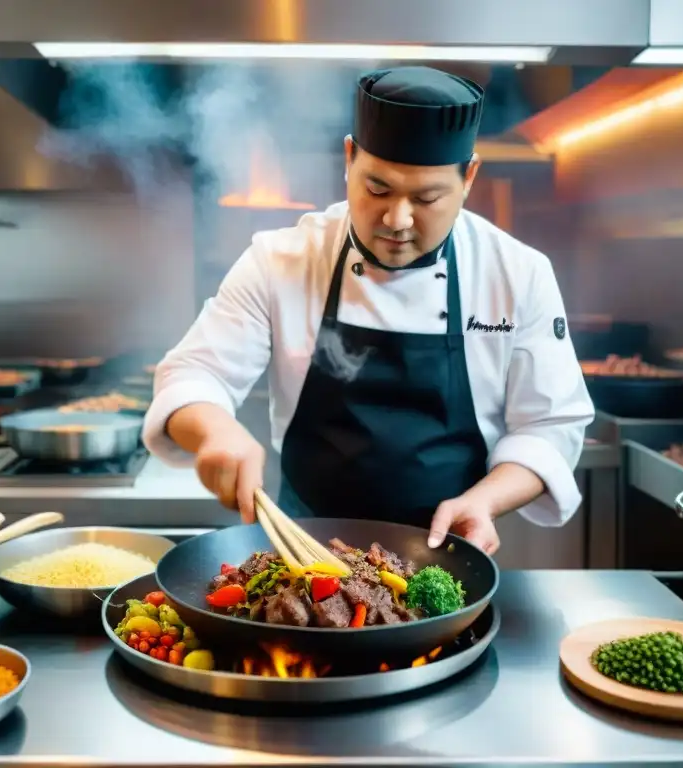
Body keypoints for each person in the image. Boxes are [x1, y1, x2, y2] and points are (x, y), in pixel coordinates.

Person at [143, 66, 594, 556]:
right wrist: (215, 429)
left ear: (469, 178)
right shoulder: (281, 259)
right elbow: (194, 373)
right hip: (304, 553)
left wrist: (485, 501)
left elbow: (550, 425)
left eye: (426, 198)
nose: (397, 220)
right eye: (378, 189)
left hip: (446, 554)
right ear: (348, 158)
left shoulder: (517, 273)